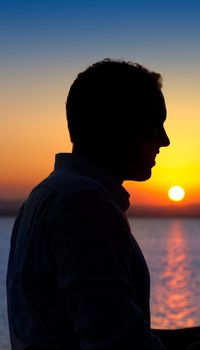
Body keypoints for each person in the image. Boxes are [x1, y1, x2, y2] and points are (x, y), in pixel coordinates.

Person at [7, 59, 170, 349]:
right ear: (117, 126)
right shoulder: (83, 204)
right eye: (154, 125)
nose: (165, 140)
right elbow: (114, 342)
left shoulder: (46, 194)